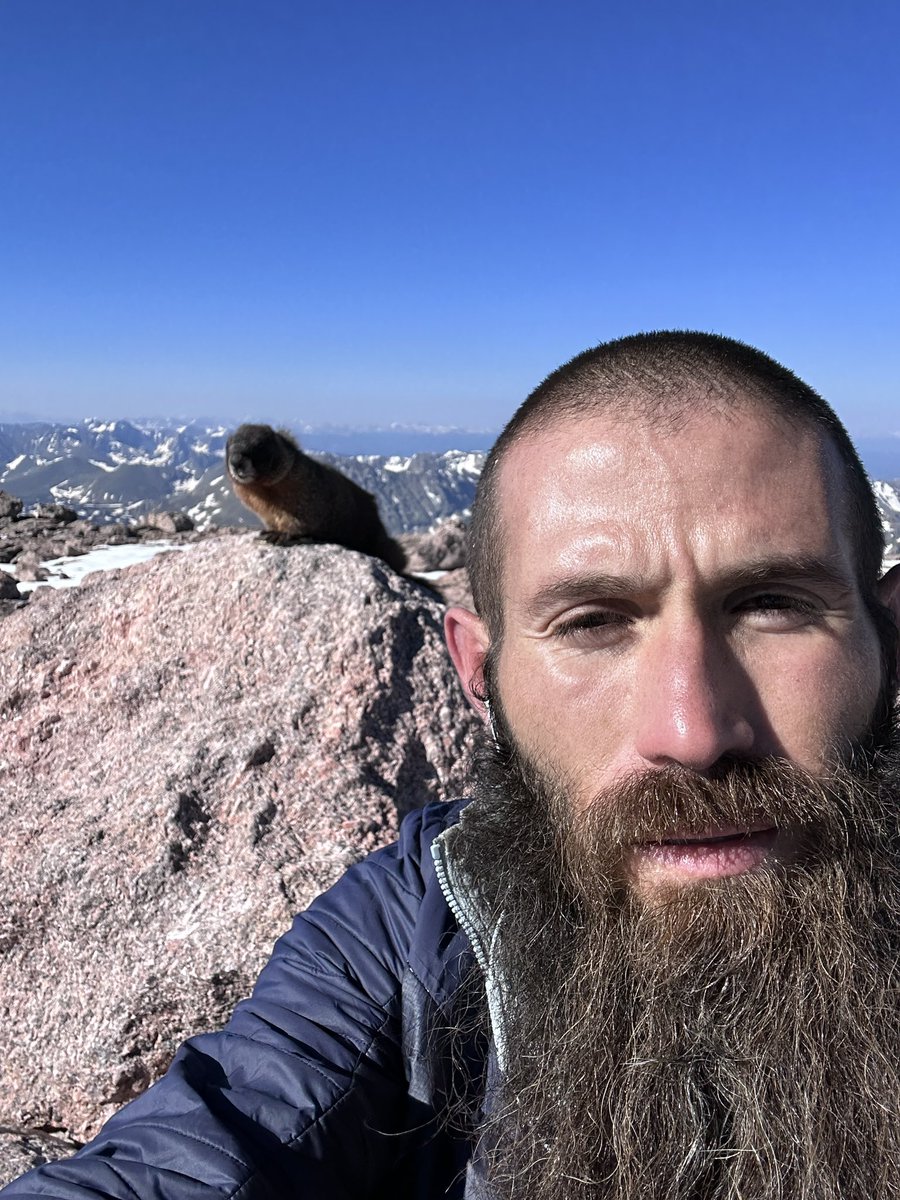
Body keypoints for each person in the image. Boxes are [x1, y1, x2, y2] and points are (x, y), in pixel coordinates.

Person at [3, 330, 899, 1199]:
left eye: (773, 604)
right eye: (591, 623)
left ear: (890, 636)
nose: (693, 731)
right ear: (478, 673)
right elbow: (213, 1138)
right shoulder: (408, 936)